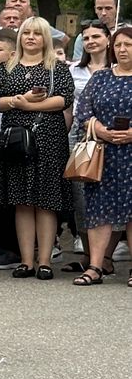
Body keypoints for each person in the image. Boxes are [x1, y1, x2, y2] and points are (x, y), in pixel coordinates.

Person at [0, 17, 74, 280]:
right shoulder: (7, 67)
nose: (30, 37)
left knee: (46, 201)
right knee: (21, 201)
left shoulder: (57, 67)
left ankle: (45, 261)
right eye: (26, 33)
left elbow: (63, 99)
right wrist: (19, 101)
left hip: (49, 137)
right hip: (16, 139)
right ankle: (26, 261)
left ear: (45, 38)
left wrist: (29, 106)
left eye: (36, 34)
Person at [73, 26, 132, 286]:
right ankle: (95, 267)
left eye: (128, 44)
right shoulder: (101, 78)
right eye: (118, 45)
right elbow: (83, 112)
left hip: (130, 153)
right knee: (98, 210)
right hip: (103, 153)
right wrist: (98, 128)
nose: (122, 49)